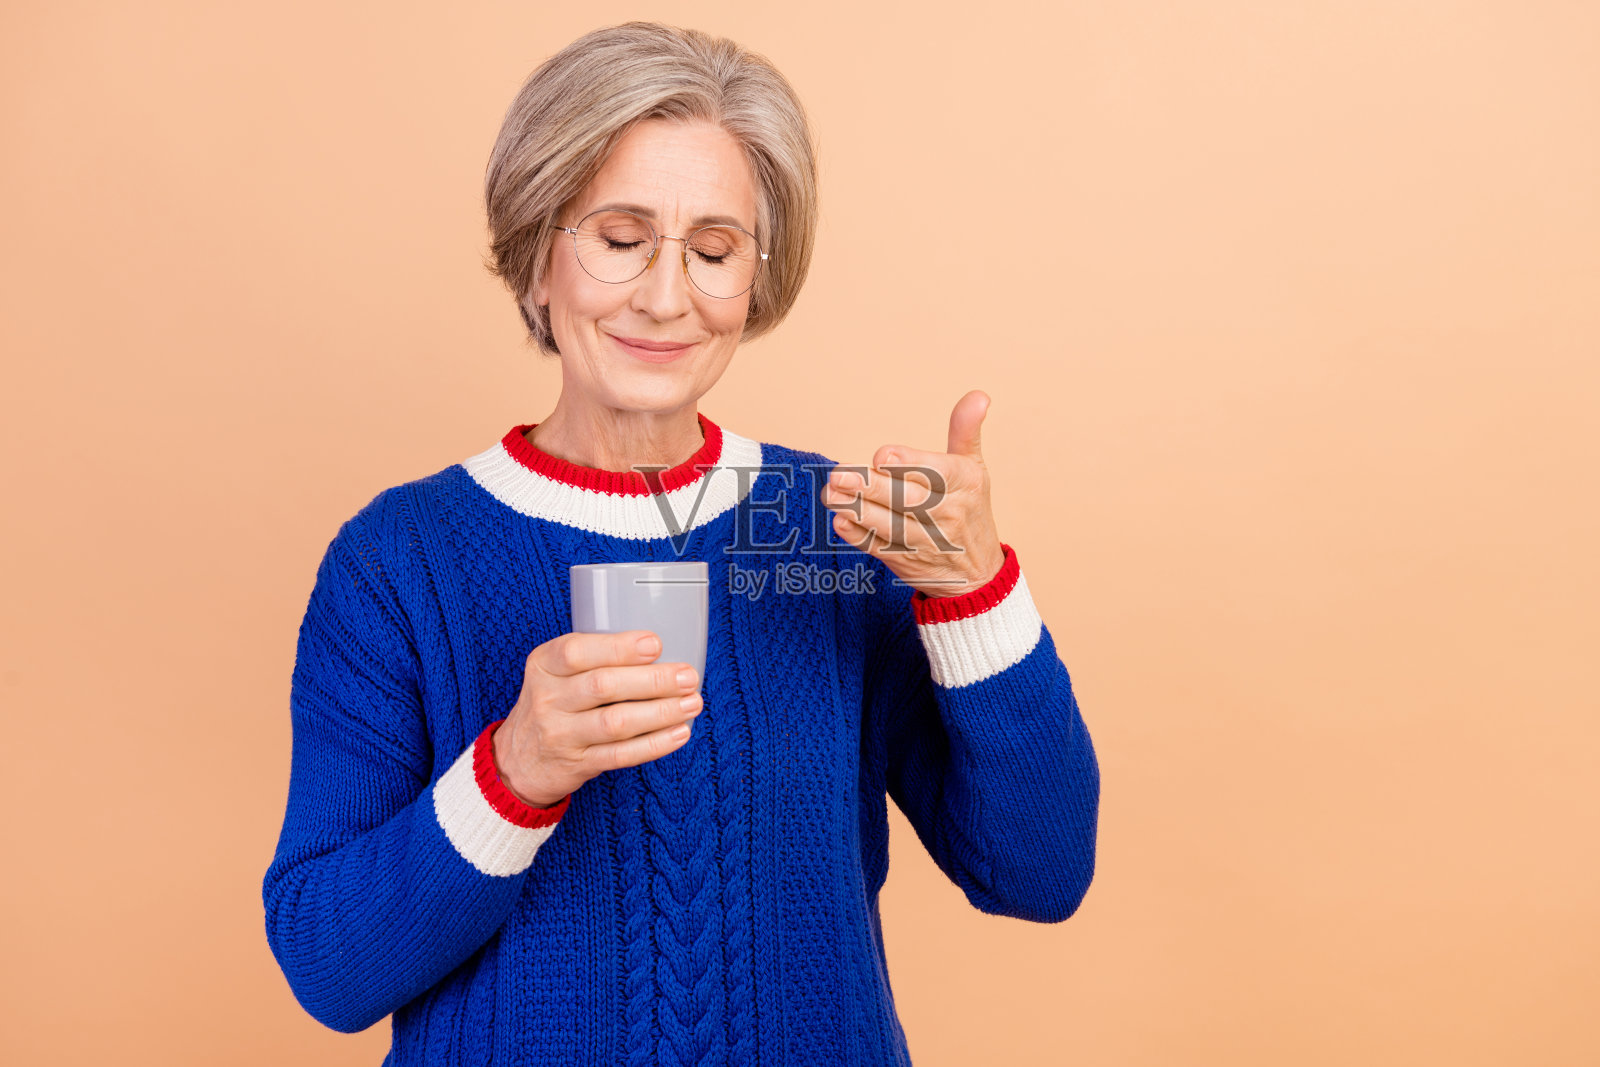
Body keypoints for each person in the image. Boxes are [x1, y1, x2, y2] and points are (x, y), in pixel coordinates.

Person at [262, 20, 1099, 1066]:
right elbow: (326, 968)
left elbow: (1039, 870)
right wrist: (515, 768)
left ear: (755, 280)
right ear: (536, 260)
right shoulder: (397, 561)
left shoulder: (837, 529)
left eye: (712, 252)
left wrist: (975, 591)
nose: (667, 297)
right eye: (619, 239)